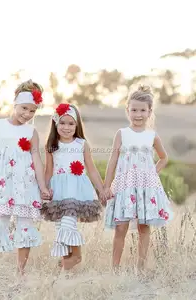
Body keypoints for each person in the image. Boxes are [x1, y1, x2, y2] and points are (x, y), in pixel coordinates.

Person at [0, 79, 50, 276]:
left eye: (32, 111)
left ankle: (21, 272)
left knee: (25, 225)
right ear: (15, 103)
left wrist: (42, 187)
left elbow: (36, 160)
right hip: (2, 185)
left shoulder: (31, 132)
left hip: (26, 185)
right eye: (24, 108)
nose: (27, 114)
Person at [104, 85, 173, 272]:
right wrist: (106, 186)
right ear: (128, 111)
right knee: (120, 228)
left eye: (143, 110)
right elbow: (113, 160)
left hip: (145, 188)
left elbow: (164, 157)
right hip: (124, 186)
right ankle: (115, 269)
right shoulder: (122, 134)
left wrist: (152, 173)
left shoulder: (152, 136)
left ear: (149, 112)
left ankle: (140, 268)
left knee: (144, 227)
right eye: (134, 110)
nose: (138, 114)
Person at [41, 103, 104, 270]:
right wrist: (44, 189)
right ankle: (64, 269)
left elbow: (91, 169)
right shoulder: (51, 146)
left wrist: (102, 188)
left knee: (68, 224)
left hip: (76, 191)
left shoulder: (81, 144)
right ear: (55, 124)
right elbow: (48, 170)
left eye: (71, 123)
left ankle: (75, 258)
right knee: (62, 227)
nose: (66, 127)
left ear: (77, 125)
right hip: (59, 192)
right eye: (62, 123)